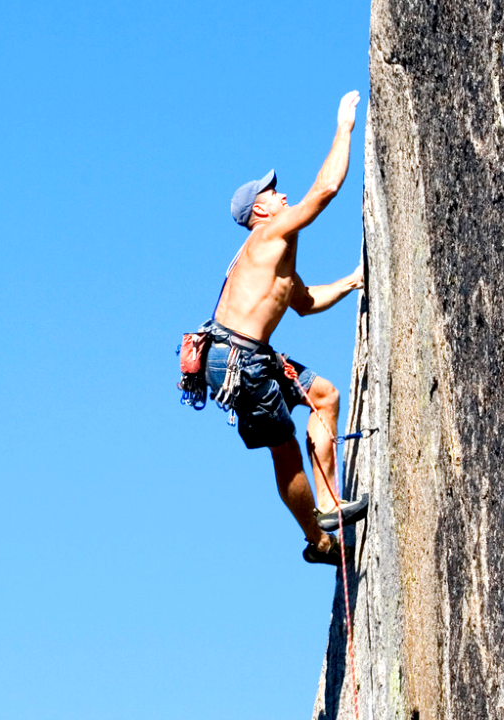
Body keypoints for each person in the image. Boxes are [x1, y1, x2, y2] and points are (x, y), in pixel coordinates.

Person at [205, 91, 367, 565]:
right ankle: (318, 536)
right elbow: (324, 192)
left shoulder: (275, 255)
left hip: (250, 353)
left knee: (326, 396)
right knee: (285, 449)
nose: (281, 193)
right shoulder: (268, 235)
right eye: (271, 192)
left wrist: (353, 282)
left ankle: (331, 505)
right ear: (259, 211)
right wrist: (344, 128)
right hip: (239, 358)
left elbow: (304, 301)